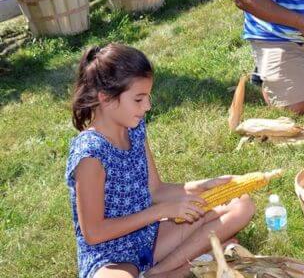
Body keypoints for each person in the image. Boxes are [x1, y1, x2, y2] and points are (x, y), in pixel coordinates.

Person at [66, 44, 256, 278]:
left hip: (150, 238)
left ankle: (159, 272)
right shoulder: (90, 155)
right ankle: (186, 266)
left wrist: (202, 186)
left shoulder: (134, 129)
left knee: (241, 203)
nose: (147, 106)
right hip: (110, 258)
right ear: (106, 99)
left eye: (147, 97)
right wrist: (160, 213)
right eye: (138, 99)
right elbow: (93, 232)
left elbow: (155, 190)